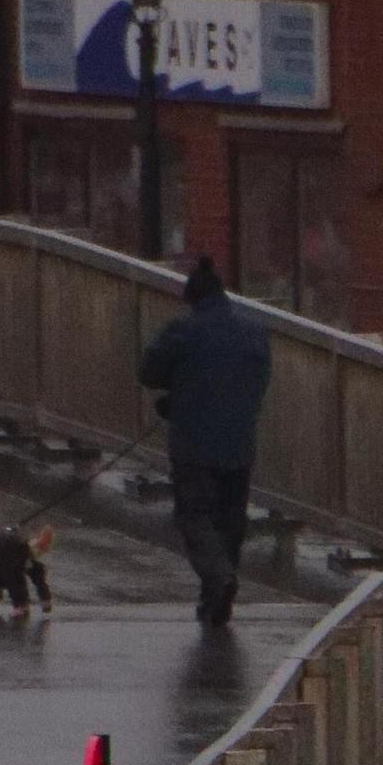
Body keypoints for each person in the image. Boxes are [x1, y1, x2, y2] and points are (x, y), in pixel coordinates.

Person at [137, 255, 271, 629]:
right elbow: (258, 382)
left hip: (194, 444)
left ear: (192, 299)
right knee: (230, 519)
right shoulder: (254, 332)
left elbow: (148, 372)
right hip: (239, 442)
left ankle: (218, 579)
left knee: (194, 515)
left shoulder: (183, 330)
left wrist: (175, 398)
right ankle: (217, 599)